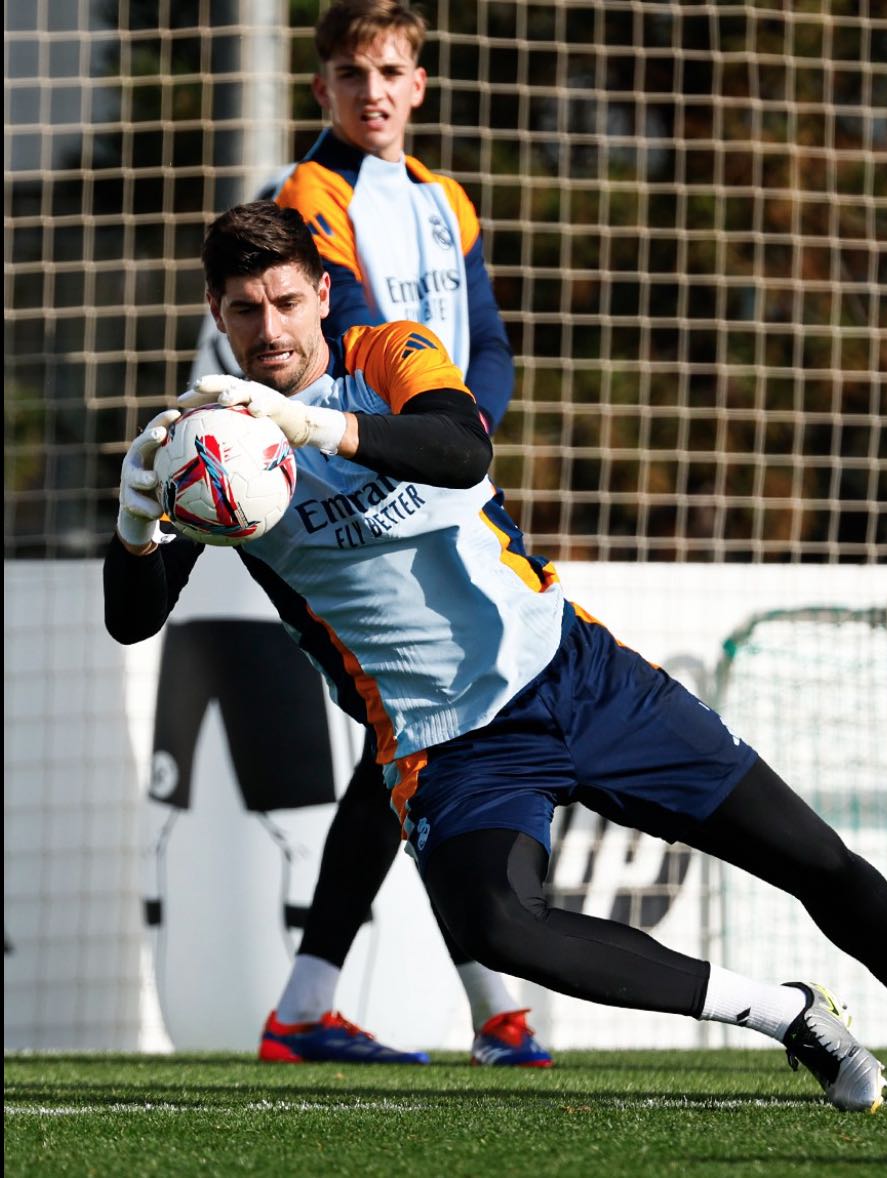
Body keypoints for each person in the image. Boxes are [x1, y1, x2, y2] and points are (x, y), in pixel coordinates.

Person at [105, 201, 887, 1112]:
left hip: (577, 675)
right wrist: (137, 519)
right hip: (450, 746)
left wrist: (316, 424)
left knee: (814, 858)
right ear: (216, 314)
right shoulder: (214, 449)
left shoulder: (385, 355)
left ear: (321, 291)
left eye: (283, 300)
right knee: (497, 923)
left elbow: (459, 450)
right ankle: (784, 1013)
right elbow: (133, 621)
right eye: (243, 309)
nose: (267, 326)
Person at [162, 0, 551, 1067]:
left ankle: (349, 1002)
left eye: (388, 70)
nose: (370, 91)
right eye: (347, 72)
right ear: (321, 87)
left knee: (412, 738)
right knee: (417, 732)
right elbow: (360, 337)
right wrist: (423, 445)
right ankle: (480, 1000)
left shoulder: (445, 201)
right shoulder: (311, 196)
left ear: (417, 82)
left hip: (428, 481)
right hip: (332, 499)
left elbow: (490, 344)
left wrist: (461, 440)